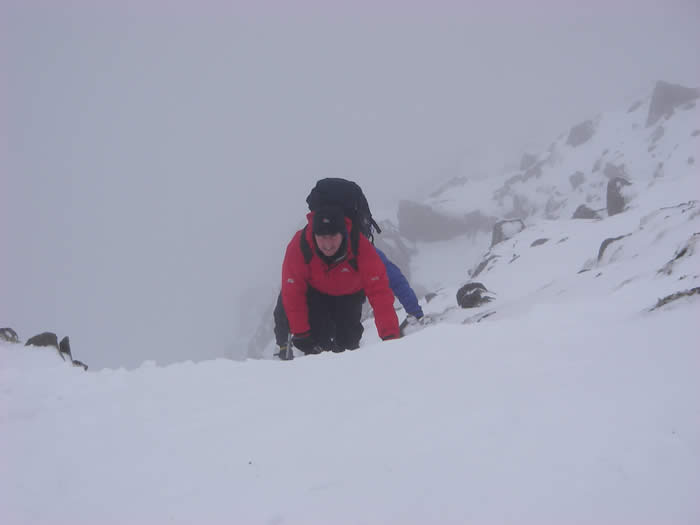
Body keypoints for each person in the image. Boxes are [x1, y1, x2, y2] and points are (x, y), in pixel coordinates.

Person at [279, 205, 400, 356]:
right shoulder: (300, 245)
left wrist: (390, 337)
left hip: (349, 295)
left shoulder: (360, 246)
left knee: (349, 344)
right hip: (316, 295)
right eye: (322, 237)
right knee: (318, 346)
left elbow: (380, 293)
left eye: (333, 236)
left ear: (343, 233)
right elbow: (293, 292)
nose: (328, 245)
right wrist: (301, 333)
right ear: (313, 234)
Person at [273, 246, 424, 357]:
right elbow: (396, 280)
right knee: (347, 353)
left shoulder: (307, 253)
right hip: (346, 322)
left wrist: (282, 344)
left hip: (320, 328)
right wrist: (415, 311)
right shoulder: (362, 250)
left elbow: (287, 297)